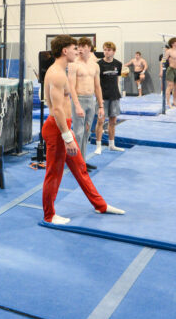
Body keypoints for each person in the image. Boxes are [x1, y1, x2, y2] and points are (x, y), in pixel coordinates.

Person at [41, 36, 124, 224]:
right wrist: (67, 135)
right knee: (54, 174)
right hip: (57, 128)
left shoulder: (63, 70)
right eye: (74, 48)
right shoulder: (56, 73)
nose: (77, 51)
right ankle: (49, 215)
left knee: (80, 168)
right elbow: (56, 108)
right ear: (64, 51)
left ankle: (100, 205)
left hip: (64, 126)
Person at [68, 37, 103, 167]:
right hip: (79, 99)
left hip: (90, 100)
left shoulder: (95, 65)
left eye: (83, 46)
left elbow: (98, 86)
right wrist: (77, 105)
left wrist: (100, 105)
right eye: (78, 47)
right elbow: (71, 86)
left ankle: (82, 161)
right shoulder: (73, 65)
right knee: (78, 132)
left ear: (89, 47)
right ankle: (76, 162)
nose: (80, 49)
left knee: (87, 131)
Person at [96, 42, 126, 152]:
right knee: (100, 121)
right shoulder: (98, 64)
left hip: (114, 96)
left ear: (113, 51)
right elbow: (96, 83)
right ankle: (98, 146)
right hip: (103, 97)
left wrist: (117, 91)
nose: (106, 52)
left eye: (108, 50)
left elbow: (116, 79)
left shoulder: (118, 63)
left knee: (113, 122)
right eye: (105, 49)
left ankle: (111, 145)